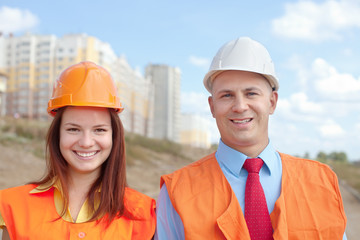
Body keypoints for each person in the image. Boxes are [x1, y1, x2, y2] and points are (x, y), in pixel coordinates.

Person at [155, 37, 347, 239]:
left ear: (272, 102)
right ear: (212, 107)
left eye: (251, 93)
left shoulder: (322, 182)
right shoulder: (176, 193)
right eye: (227, 95)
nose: (239, 106)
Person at [0, 61, 156, 239]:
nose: (86, 142)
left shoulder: (143, 213)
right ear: (57, 134)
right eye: (73, 129)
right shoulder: (15, 206)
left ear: (114, 137)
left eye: (99, 130)